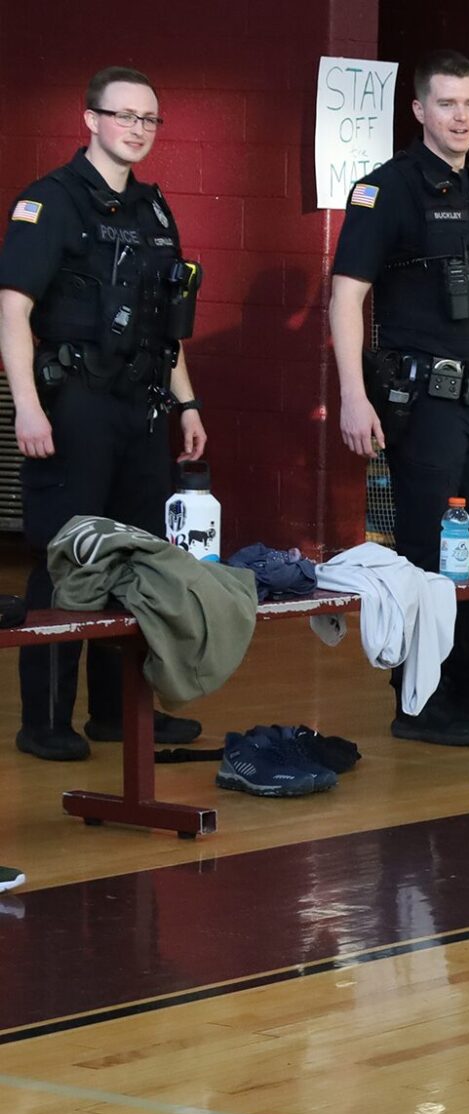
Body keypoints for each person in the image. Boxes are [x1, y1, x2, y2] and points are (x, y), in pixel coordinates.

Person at [328, 50, 469, 745]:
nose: (460, 117)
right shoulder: (387, 189)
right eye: (447, 104)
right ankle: (419, 704)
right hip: (423, 402)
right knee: (430, 556)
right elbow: (346, 297)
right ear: (420, 111)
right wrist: (351, 394)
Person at [1, 66, 207, 761]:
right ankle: (45, 721)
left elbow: (165, 324)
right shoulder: (50, 202)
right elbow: (13, 312)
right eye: (124, 116)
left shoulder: (153, 210)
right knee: (67, 558)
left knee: (136, 562)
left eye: (148, 119)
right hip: (75, 407)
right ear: (89, 120)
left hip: (143, 407)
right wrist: (27, 406)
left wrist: (188, 403)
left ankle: (121, 715)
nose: (137, 129)